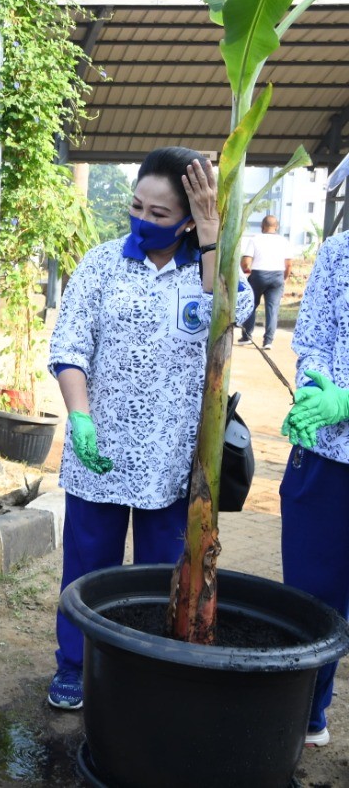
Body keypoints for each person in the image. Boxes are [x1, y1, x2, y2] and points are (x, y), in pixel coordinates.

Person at [47, 146, 254, 710]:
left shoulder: (207, 268)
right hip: (101, 455)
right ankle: (75, 665)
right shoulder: (101, 264)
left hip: (173, 461)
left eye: (160, 215)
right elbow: (69, 349)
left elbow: (234, 317)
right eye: (137, 206)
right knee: (87, 567)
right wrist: (81, 418)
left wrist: (213, 235)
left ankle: (145, 670)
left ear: (190, 218)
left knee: (162, 576)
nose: (143, 220)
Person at [277, 232, 349, 749]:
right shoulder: (340, 250)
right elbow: (314, 339)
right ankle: (307, 712)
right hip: (326, 457)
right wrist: (313, 386)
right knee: (311, 594)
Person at [239, 214, 293, 350]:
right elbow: (289, 264)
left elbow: (246, 262)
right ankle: (268, 341)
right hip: (277, 276)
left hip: (258, 275)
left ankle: (247, 337)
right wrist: (284, 278)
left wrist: (247, 270)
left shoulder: (255, 239)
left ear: (262, 226)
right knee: (272, 309)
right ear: (277, 227)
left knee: (251, 305)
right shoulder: (284, 241)